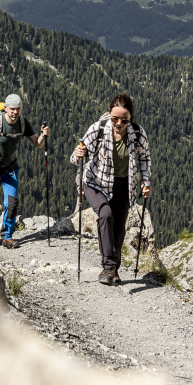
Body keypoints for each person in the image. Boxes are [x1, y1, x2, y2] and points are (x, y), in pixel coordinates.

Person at [71, 93, 151, 286]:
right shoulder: (98, 130)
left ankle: (114, 269)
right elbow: (76, 160)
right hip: (95, 182)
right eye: (115, 118)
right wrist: (78, 153)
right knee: (105, 215)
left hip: (124, 185)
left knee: (119, 228)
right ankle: (108, 266)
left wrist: (145, 182)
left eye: (124, 119)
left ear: (130, 117)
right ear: (109, 114)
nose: (119, 122)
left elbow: (144, 159)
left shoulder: (138, 134)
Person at [0, 93, 50, 249]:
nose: (15, 112)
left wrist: (43, 135)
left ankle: (7, 236)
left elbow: (37, 144)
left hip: (10, 169)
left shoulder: (23, 123)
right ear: (5, 108)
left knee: (12, 203)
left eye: (18, 109)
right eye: (12, 109)